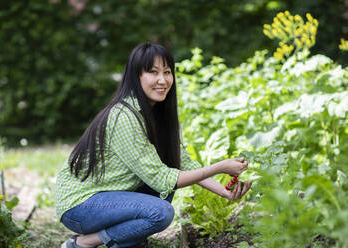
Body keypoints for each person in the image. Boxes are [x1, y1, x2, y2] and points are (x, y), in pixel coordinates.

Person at [55, 42, 252, 248]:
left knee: (166, 187)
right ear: (135, 76)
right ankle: (83, 242)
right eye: (153, 72)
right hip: (80, 205)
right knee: (161, 211)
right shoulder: (124, 116)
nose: (162, 80)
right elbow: (162, 179)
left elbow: (183, 163)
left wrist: (224, 191)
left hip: (107, 197)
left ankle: (127, 241)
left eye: (167, 72)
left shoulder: (155, 112)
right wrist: (220, 166)